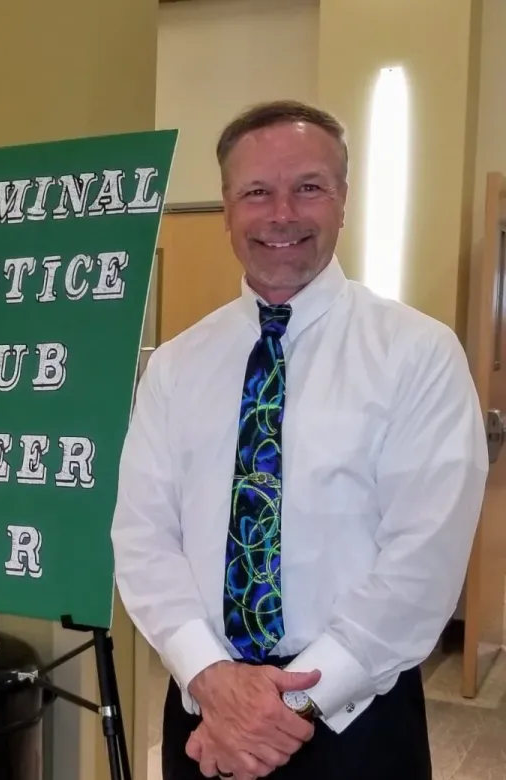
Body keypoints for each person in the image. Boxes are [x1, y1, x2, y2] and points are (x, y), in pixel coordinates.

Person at [111, 99, 489, 780]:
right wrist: (212, 679)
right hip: (206, 707)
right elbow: (142, 539)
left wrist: (290, 706)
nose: (281, 214)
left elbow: (421, 564)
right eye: (257, 192)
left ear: (343, 200)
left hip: (356, 718)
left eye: (308, 187)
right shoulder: (175, 366)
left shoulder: (419, 355)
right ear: (226, 208)